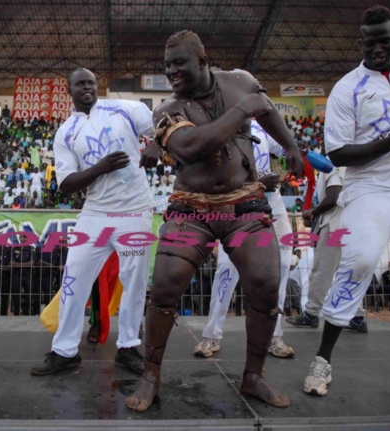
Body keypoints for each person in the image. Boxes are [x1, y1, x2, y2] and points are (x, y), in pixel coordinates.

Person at [126, 30, 303, 412]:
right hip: (192, 209)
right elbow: (192, 148)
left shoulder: (240, 82)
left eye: (178, 63)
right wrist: (243, 111)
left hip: (246, 206)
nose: (171, 71)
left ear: (202, 61)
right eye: (167, 65)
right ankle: (151, 374)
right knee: (165, 288)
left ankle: (254, 376)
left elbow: (268, 110)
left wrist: (290, 145)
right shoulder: (166, 111)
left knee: (266, 286)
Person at [302, 5, 390, 397]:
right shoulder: (348, 88)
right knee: (360, 260)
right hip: (369, 190)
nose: (378, 47)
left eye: (385, 39)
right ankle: (323, 360)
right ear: (360, 42)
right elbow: (339, 154)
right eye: (370, 42)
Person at [30, 67, 157, 377]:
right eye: (80, 84)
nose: (87, 88)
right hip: (95, 214)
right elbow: (66, 184)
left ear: (97, 86)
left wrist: (156, 144)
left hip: (135, 211)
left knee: (134, 283)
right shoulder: (66, 131)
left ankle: (128, 347)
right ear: (69, 90)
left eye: (90, 83)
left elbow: (165, 126)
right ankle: (65, 351)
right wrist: (101, 167)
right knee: (74, 279)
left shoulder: (125, 108)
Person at [193, 122, 296, 359]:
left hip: (274, 206)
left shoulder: (262, 128)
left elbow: (286, 151)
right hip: (238, 209)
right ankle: (211, 335)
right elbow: (217, 181)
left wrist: (291, 155)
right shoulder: (219, 130)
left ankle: (274, 335)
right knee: (227, 270)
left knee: (280, 268)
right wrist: (257, 184)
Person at [287, 152, 367, 332]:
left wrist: (312, 212)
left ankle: (311, 313)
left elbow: (332, 197)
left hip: (335, 225)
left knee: (322, 269)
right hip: (350, 222)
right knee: (348, 272)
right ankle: (357, 317)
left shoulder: (332, 163)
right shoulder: (350, 161)